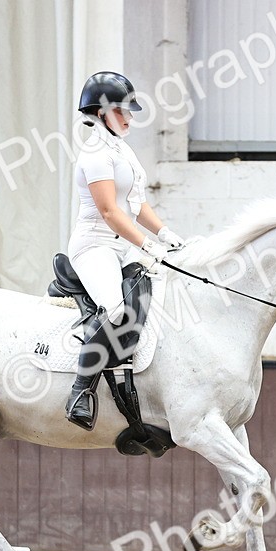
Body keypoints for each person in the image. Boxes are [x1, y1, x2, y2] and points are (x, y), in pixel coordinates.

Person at [65, 71, 184, 430]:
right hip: (95, 246)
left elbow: (134, 203)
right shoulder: (95, 154)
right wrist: (147, 244)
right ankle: (80, 392)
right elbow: (109, 212)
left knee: (162, 291)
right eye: (122, 111)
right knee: (117, 311)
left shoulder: (121, 149)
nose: (130, 118)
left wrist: (165, 233)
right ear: (100, 113)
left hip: (123, 245)